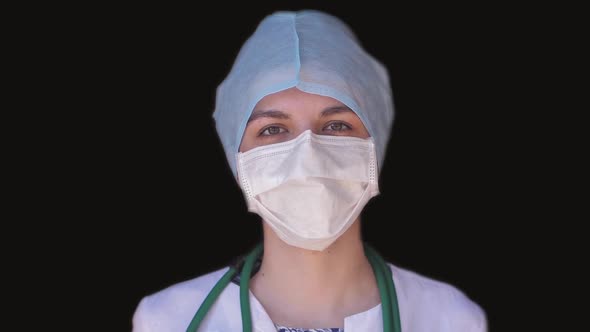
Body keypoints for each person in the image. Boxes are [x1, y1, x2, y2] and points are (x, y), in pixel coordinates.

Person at [132, 9, 487, 332]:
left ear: (375, 143)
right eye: (272, 130)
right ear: (235, 156)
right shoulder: (167, 320)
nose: (307, 154)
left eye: (336, 126)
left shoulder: (451, 319)